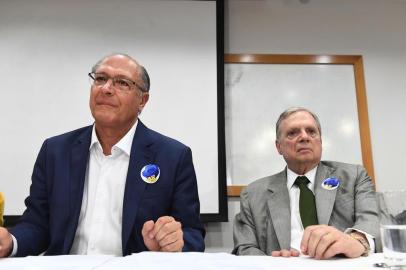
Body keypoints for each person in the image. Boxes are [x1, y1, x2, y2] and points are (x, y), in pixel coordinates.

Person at [0, 53, 205, 257]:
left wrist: (174, 242)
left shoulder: (173, 157)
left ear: (142, 100)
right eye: (100, 79)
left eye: (122, 83)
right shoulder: (55, 151)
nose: (106, 89)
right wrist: (11, 242)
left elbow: (192, 234)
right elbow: (37, 225)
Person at [233, 107, 380, 259]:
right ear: (279, 147)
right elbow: (245, 248)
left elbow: (370, 222)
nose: (304, 137)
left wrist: (354, 241)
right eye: (292, 133)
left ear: (320, 142)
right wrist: (272, 263)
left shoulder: (354, 176)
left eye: (311, 131)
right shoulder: (252, 194)